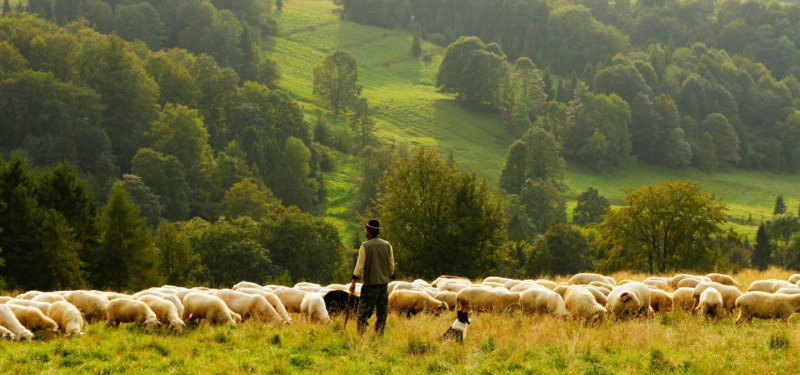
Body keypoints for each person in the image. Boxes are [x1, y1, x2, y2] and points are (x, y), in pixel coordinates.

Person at [349, 219, 395, 335]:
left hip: (370, 285)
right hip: (384, 285)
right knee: (382, 314)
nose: (365, 232)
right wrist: (388, 275)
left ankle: (362, 337)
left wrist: (353, 282)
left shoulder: (365, 246)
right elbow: (391, 266)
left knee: (362, 314)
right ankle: (379, 336)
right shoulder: (387, 245)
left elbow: (359, 267)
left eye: (365, 230)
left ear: (369, 231)